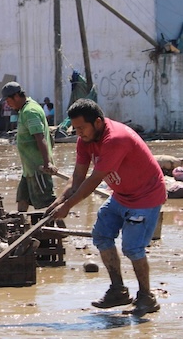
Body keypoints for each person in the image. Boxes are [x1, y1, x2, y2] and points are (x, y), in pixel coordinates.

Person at [45, 98, 166, 317]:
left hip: (145, 197)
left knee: (132, 248)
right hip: (121, 195)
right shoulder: (85, 141)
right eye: (76, 128)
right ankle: (118, 290)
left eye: (82, 128)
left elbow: (93, 181)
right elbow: (78, 177)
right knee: (101, 235)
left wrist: (68, 206)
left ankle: (147, 297)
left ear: (98, 122)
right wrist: (59, 201)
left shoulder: (116, 139)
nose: (78, 133)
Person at [1, 81, 58, 211]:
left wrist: (47, 163)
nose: (7, 104)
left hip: (38, 169)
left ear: (16, 96)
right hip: (29, 169)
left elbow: (40, 137)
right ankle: (20, 228)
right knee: (22, 199)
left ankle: (62, 230)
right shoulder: (25, 109)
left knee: (49, 204)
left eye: (8, 100)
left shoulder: (30, 111)